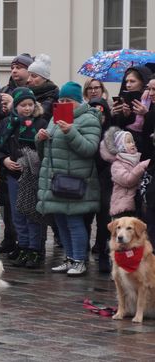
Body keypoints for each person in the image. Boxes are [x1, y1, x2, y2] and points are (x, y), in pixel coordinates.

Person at [37, 82, 101, 277]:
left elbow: (89, 148)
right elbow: (46, 152)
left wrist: (70, 132)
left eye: (69, 101)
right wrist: (40, 139)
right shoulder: (55, 119)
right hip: (55, 179)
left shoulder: (89, 119)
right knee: (61, 221)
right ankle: (70, 258)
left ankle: (80, 260)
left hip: (75, 180)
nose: (64, 103)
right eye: (61, 100)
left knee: (73, 221)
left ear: (78, 101)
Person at [0, 87, 49, 268]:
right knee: (17, 213)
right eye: (23, 105)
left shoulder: (41, 122)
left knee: (31, 212)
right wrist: (4, 160)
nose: (27, 109)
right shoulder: (8, 123)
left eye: (30, 105)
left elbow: (44, 149)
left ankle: (35, 249)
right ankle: (23, 245)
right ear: (15, 106)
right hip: (13, 173)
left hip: (32, 175)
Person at [100, 128, 149, 219]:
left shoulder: (136, 161)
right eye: (128, 142)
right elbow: (127, 180)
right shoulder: (117, 165)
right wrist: (142, 166)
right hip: (123, 209)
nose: (132, 144)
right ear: (120, 146)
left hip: (135, 205)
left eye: (133, 141)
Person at [88, 97, 113, 273]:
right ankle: (81, 253)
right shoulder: (87, 129)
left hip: (106, 179)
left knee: (104, 218)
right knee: (85, 218)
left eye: (101, 111)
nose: (98, 115)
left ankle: (104, 253)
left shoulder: (111, 131)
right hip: (88, 178)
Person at [111, 66, 151, 153]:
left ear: (143, 82)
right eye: (126, 81)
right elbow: (118, 127)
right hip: (126, 146)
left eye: (132, 81)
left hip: (146, 147)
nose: (128, 85)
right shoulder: (124, 98)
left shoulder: (151, 98)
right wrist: (122, 115)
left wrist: (146, 114)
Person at [26, 54, 59, 121]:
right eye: (28, 75)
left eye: (34, 76)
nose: (28, 80)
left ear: (45, 78)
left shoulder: (51, 96)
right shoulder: (27, 92)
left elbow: (39, 118)